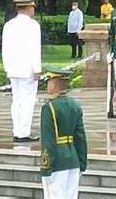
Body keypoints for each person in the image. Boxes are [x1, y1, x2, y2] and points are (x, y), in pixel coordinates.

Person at [40, 66, 87, 199]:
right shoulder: (75, 105)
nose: (47, 85)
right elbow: (80, 137)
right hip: (73, 160)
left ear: (54, 84)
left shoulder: (49, 108)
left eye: (48, 81)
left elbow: (48, 141)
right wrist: (82, 163)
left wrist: (46, 167)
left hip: (57, 162)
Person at [2, 0, 41, 142]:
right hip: (27, 70)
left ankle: (17, 130)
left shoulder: (9, 25)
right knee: (27, 101)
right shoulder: (33, 25)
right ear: (29, 8)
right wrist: (37, 69)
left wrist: (7, 67)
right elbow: (34, 49)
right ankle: (24, 132)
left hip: (13, 68)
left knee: (16, 100)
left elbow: (4, 49)